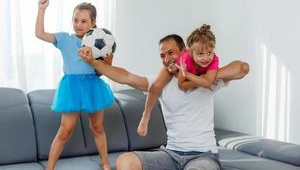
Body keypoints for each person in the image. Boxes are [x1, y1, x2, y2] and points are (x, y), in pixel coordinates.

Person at [78, 34, 249, 170]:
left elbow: (241, 68)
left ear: (185, 52)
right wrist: (92, 62)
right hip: (170, 155)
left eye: (171, 53)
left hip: (203, 156)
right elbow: (125, 77)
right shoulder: (160, 82)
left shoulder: (208, 80)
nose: (167, 59)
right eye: (163, 55)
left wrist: (205, 78)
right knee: (125, 162)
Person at [35, 0, 114, 170]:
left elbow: (99, 72)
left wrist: (108, 64)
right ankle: (50, 167)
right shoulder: (64, 39)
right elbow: (40, 34)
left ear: (93, 24)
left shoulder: (97, 44)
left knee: (97, 127)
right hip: (71, 87)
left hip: (92, 86)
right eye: (75, 20)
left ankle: (106, 163)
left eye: (84, 21)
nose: (78, 24)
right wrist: (42, 10)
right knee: (65, 130)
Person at [137, 24, 220, 137]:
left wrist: (197, 77)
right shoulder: (184, 59)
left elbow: (207, 81)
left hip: (190, 74)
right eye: (162, 55)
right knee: (156, 85)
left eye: (171, 53)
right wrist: (178, 69)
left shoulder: (212, 59)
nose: (205, 57)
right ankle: (145, 116)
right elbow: (180, 84)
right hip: (184, 71)